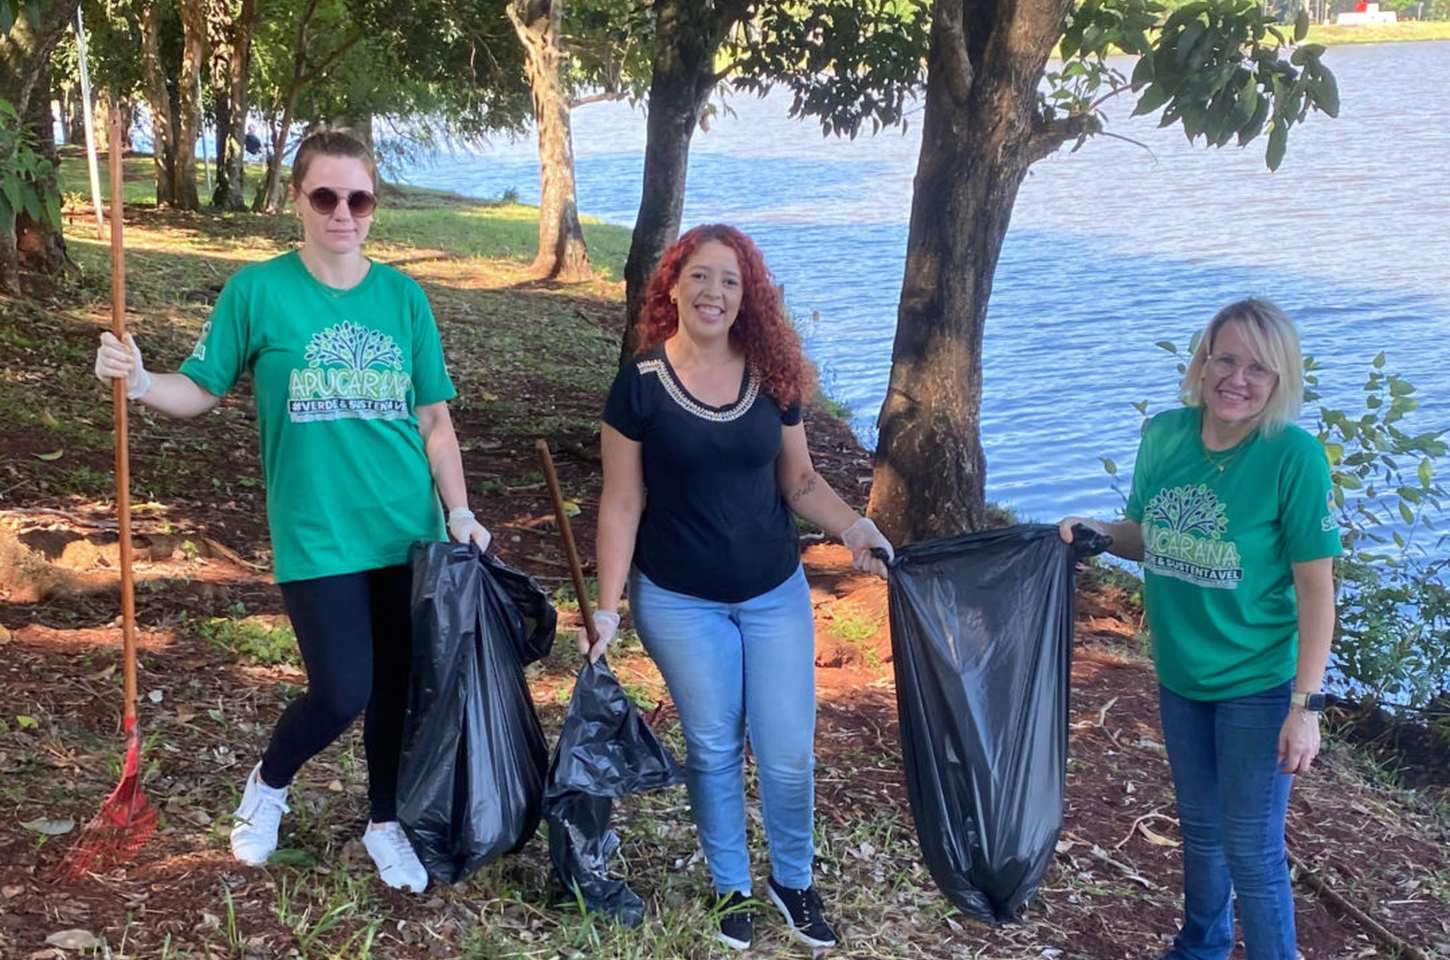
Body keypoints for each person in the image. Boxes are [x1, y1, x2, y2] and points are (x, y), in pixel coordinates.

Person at [93, 130, 490, 894]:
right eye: (326, 197)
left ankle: (385, 821)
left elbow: (435, 422)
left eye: (359, 199)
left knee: (398, 687)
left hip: (409, 531)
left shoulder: (403, 297)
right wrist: (142, 381)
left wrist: (461, 511)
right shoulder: (258, 291)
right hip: (317, 533)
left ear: (374, 206)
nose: (343, 213)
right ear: (297, 201)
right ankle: (269, 785)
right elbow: (200, 390)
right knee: (343, 688)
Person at [578, 224, 894, 951]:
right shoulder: (641, 385)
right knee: (715, 745)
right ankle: (731, 888)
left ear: (747, 296)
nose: (713, 292)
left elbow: (801, 480)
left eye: (729, 280)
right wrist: (606, 607)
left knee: (787, 749)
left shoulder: (771, 377)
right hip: (679, 599)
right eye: (699, 276)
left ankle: (792, 881)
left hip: (773, 592)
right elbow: (621, 502)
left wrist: (855, 529)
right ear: (673, 286)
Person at [1060, 298, 1340, 960]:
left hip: (1258, 682)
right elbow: (1147, 536)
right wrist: (1098, 532)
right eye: (1226, 358)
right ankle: (1201, 946)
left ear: (1281, 381)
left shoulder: (1292, 457)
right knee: (1201, 829)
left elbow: (1317, 594)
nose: (1237, 379)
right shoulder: (1165, 436)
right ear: (1202, 360)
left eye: (1258, 368)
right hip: (1183, 676)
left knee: (1251, 846)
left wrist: (1306, 708)